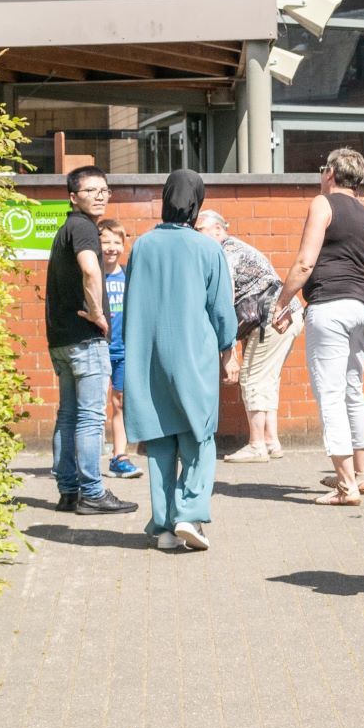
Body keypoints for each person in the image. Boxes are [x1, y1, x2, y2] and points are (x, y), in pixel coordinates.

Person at [121, 170, 238, 552]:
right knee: (198, 435)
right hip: (194, 354)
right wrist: (228, 350)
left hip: (149, 356)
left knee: (159, 440)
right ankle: (189, 512)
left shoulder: (142, 245)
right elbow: (221, 310)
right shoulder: (208, 249)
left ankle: (165, 527)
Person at [279, 145, 364, 505]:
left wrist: (282, 302)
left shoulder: (323, 204)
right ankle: (362, 474)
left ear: (329, 174)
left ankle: (345, 486)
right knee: (353, 389)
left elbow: (306, 262)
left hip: (331, 306)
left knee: (331, 395)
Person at [42, 167, 136, 516]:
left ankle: (68, 491)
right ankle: (93, 492)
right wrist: (98, 314)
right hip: (84, 339)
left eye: (104, 189)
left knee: (67, 415)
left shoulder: (66, 229)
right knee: (90, 417)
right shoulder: (83, 228)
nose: (100, 195)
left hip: (62, 338)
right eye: (91, 190)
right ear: (73, 197)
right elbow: (91, 269)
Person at [198, 209, 296, 461]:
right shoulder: (236, 247)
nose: (195, 235)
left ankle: (256, 445)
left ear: (218, 230)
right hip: (288, 314)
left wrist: (226, 347)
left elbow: (225, 296)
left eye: (200, 230)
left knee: (252, 378)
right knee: (267, 380)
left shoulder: (224, 252)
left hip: (269, 319)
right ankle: (271, 442)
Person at [99, 219, 142, 480]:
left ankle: (120, 457)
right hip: (98, 349)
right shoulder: (92, 275)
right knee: (93, 406)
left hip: (123, 350)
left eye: (117, 242)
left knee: (120, 403)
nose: (111, 248)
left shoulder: (128, 277)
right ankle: (90, 458)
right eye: (106, 242)